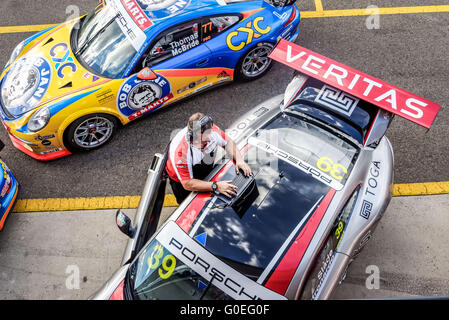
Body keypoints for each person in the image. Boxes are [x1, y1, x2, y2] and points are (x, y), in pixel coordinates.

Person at [165, 112, 252, 204]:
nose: (211, 136)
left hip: (203, 162)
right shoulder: (181, 153)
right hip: (182, 180)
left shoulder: (210, 129)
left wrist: (239, 160)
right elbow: (187, 184)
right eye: (207, 134)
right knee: (188, 204)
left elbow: (228, 143)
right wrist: (215, 186)